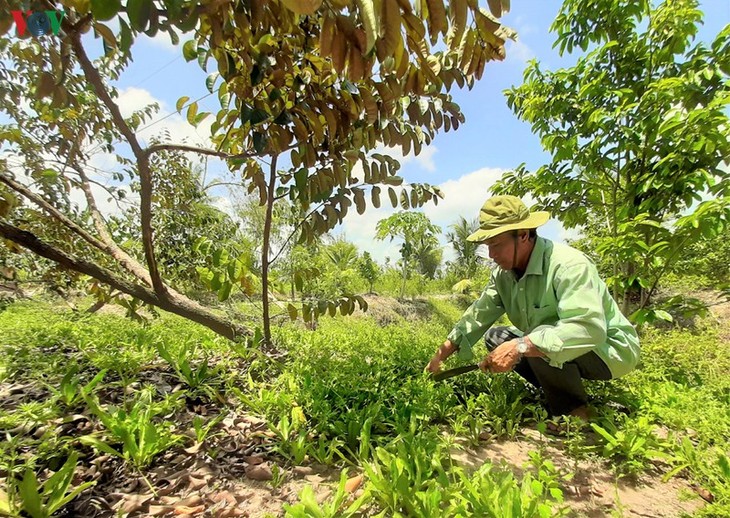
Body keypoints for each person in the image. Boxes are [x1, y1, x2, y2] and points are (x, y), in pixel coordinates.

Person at [426, 195, 640, 423]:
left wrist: (521, 346)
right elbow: (477, 315)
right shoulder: (503, 275)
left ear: (524, 235)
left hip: (608, 350)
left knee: (537, 338)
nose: (491, 255)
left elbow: (589, 328)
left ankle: (574, 412)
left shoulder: (568, 265)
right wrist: (440, 356)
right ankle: (560, 390)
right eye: (488, 247)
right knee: (497, 337)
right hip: (560, 343)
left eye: (496, 245)